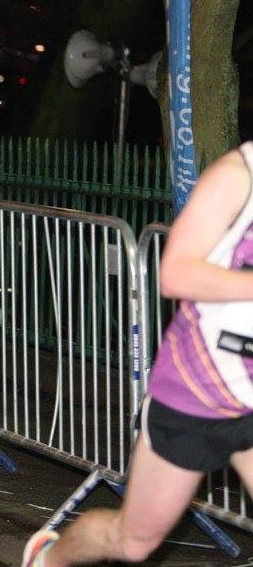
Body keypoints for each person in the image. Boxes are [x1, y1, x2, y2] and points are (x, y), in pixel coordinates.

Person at [23, 141, 253, 566]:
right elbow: (176, 273)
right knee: (134, 542)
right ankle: (49, 559)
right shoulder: (237, 176)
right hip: (199, 390)